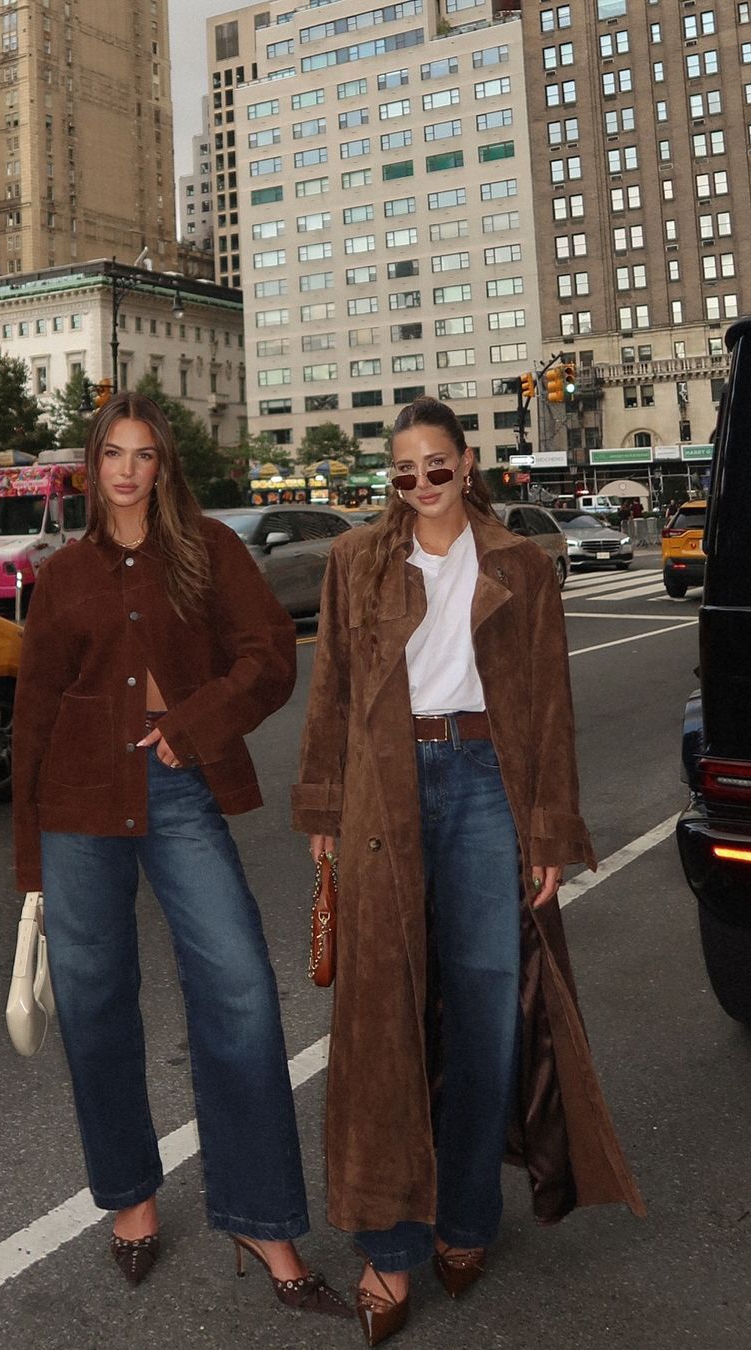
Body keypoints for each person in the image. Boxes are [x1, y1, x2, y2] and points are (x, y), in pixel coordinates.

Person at [292, 397, 644, 1345]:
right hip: (386, 785)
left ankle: (467, 1218)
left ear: (468, 463)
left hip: (487, 780)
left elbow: (551, 705)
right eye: (403, 471)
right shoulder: (356, 560)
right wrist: (323, 808)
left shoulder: (520, 565)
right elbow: (331, 692)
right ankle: (389, 1244)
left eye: (436, 466)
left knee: (487, 1012)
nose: (421, 484)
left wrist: (548, 832)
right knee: (384, 1016)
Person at [12, 392, 349, 1319]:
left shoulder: (209, 550)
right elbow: (34, 716)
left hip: (176, 786)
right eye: (112, 454)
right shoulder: (63, 575)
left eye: (144, 454)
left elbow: (269, 656)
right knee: (94, 1003)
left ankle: (262, 1219)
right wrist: (31, 865)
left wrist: (192, 725)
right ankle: (131, 1198)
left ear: (164, 465)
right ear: (93, 467)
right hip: (77, 798)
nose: (127, 470)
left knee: (239, 986)